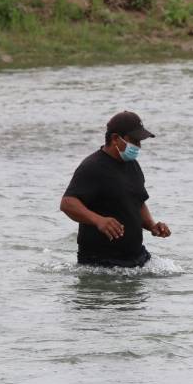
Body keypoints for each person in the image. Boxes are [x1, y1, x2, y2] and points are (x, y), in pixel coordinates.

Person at [60, 111, 171, 268]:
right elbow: (67, 203)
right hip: (100, 262)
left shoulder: (133, 165)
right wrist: (98, 220)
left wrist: (152, 225)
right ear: (115, 139)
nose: (138, 146)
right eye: (134, 141)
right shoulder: (93, 167)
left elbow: (137, 201)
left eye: (140, 141)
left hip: (136, 257)